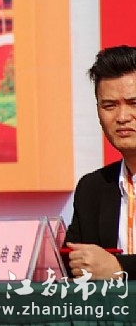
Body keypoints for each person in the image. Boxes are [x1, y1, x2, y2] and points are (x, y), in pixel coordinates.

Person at [64, 45, 136, 280]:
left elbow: (112, 268)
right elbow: (70, 267)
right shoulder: (91, 189)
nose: (122, 117)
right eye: (109, 106)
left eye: (133, 103)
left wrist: (120, 268)